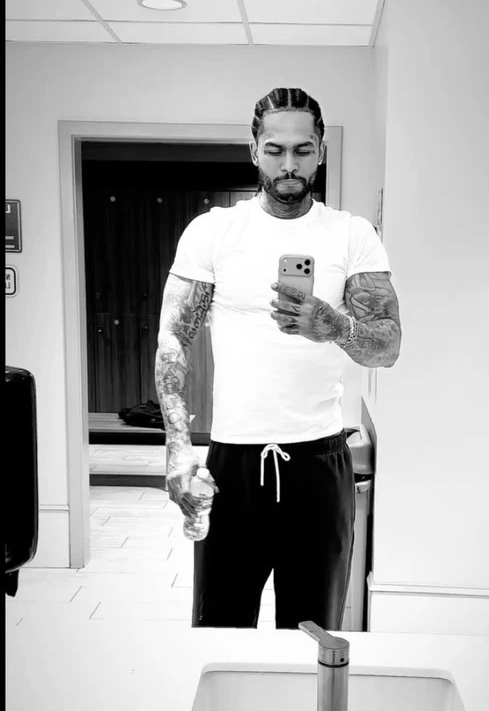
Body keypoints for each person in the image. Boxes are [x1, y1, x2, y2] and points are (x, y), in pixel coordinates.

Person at [155, 87, 401, 630]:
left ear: (320, 152)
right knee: (220, 628)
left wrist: (334, 325)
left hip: (319, 463)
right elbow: (173, 340)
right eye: (275, 150)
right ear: (254, 150)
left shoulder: (351, 234)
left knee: (313, 634)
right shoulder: (214, 231)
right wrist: (177, 448)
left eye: (303, 150)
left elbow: (388, 346)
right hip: (233, 463)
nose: (289, 164)